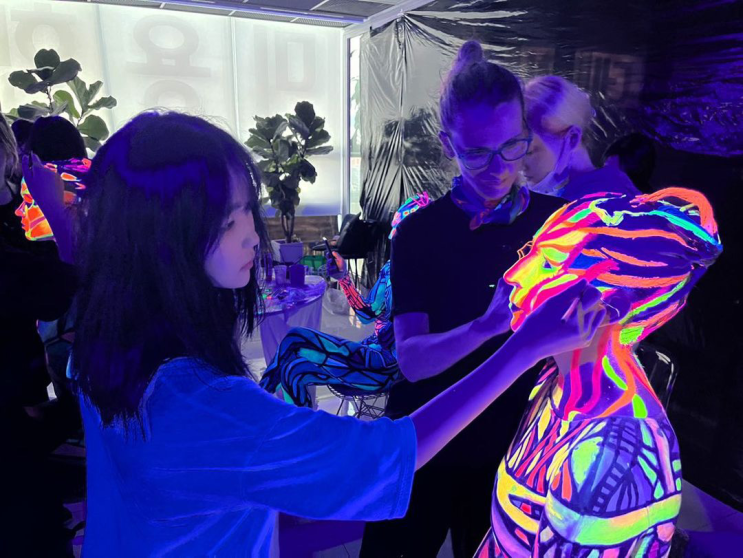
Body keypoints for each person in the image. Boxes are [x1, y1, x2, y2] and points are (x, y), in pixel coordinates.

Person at [67, 110, 605, 556]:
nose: (253, 234)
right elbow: (387, 449)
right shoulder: (205, 407)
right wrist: (520, 345)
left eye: (248, 209)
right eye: (229, 221)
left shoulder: (105, 340)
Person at [361, 42, 568, 557]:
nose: (498, 167)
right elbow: (412, 361)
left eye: (512, 146)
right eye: (476, 152)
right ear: (447, 145)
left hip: (512, 450)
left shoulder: (558, 224)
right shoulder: (419, 233)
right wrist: (487, 325)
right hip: (426, 440)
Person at [475, 188, 722, 556]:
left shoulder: (610, 455)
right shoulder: (554, 382)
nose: (513, 275)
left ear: (612, 305)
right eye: (530, 251)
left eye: (549, 263)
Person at [259, 193, 430, 408]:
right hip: (371, 352)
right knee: (293, 369)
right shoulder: (391, 269)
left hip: (388, 367)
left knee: (295, 339)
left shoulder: (428, 278)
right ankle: (290, 422)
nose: (396, 241)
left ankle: (258, 405)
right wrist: (343, 278)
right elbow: (366, 315)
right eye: (397, 235)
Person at [523, 75, 639, 201]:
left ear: (572, 138)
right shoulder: (610, 185)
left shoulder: (594, 201)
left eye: (529, 151)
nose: (520, 164)